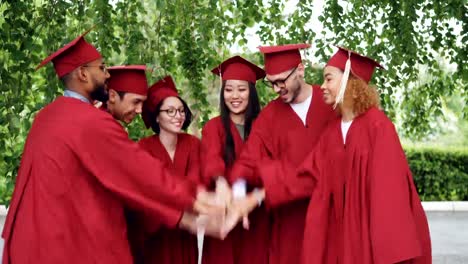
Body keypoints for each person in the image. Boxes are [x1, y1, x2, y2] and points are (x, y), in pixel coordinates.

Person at [1, 31, 223, 264]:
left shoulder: (46, 117)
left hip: (32, 240)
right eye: (102, 67)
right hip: (63, 241)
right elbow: (141, 173)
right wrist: (197, 202)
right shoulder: (89, 121)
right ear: (83, 74)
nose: (108, 74)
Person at [239, 47, 432, 263]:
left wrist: (385, 251)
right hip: (338, 236)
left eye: (329, 79)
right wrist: (257, 196)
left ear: (350, 80)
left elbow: (390, 197)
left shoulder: (378, 127)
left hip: (368, 239)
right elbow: (306, 176)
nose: (322, 86)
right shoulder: (332, 133)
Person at [228, 44, 336, 264]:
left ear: (300, 70)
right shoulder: (269, 117)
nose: (277, 88)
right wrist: (239, 195)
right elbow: (248, 161)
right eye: (271, 82)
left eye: (281, 81)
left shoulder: (331, 104)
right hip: (290, 222)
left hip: (332, 215)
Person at [201, 56, 269, 264]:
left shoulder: (265, 126)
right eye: (229, 89)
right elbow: (211, 158)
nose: (235, 96)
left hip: (257, 215)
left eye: (242, 89)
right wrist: (221, 182)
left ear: (252, 91)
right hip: (224, 212)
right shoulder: (213, 127)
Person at [128, 76, 201, 264]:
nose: (178, 116)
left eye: (180, 110)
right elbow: (144, 192)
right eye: (170, 111)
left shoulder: (193, 144)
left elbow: (196, 181)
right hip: (156, 235)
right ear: (157, 117)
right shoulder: (142, 148)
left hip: (185, 233)